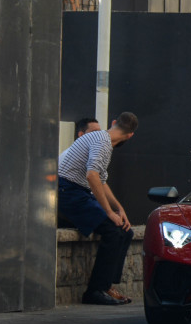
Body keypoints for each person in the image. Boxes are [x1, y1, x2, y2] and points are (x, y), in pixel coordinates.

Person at [57, 111, 139, 306]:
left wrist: (120, 209)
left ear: (113, 123)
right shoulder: (102, 142)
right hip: (68, 192)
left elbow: (101, 181)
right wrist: (109, 213)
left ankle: (106, 285)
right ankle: (95, 291)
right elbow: (91, 176)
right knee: (112, 230)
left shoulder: (102, 139)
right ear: (130, 135)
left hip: (78, 192)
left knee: (125, 232)